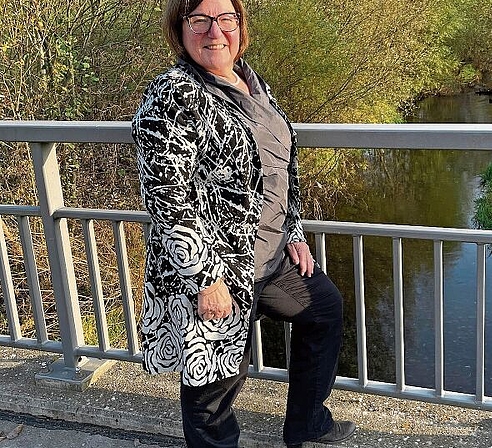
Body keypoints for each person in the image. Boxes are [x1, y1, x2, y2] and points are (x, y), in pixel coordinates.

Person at [131, 0, 356, 447]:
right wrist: (205, 279)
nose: (215, 31)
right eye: (200, 20)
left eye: (226, 19)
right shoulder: (174, 95)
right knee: (212, 395)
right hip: (216, 268)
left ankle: (307, 424)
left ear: (240, 26)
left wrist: (292, 232)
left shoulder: (251, 82)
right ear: (181, 28)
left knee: (324, 311)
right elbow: (167, 197)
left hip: (268, 258)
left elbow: (276, 169)